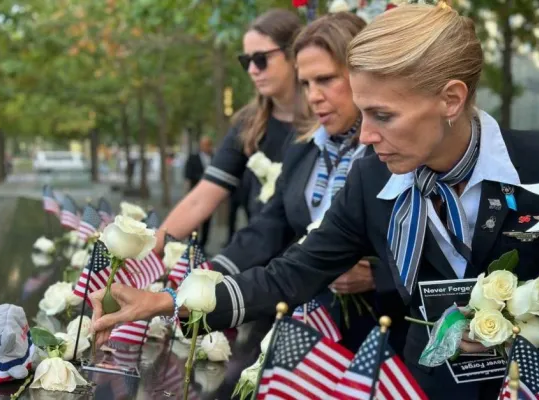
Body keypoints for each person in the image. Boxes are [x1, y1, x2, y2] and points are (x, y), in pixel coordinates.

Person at [92, 4, 539, 399]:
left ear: (451, 99)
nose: (369, 135)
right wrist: (171, 299)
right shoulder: (372, 175)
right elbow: (292, 273)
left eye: (383, 115)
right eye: (363, 113)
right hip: (422, 385)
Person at [208, 12, 405, 353]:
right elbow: (269, 227)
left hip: (385, 336)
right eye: (306, 83)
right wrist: (207, 276)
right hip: (309, 330)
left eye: (326, 79)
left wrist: (378, 277)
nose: (313, 96)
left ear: (363, 75)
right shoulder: (301, 148)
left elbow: (441, 250)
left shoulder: (400, 152)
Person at [154, 9, 315, 253]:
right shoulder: (248, 124)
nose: (252, 70)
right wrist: (149, 251)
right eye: (246, 61)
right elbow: (202, 197)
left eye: (261, 59)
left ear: (293, 55)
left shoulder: (328, 118)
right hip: (260, 260)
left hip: (321, 266)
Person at [184, 136, 214, 249]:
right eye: (203, 144)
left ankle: (203, 245)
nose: (206, 147)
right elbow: (188, 174)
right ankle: (193, 244)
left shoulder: (214, 158)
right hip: (195, 192)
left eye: (208, 144)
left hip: (210, 195)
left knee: (207, 221)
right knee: (194, 220)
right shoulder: (193, 158)